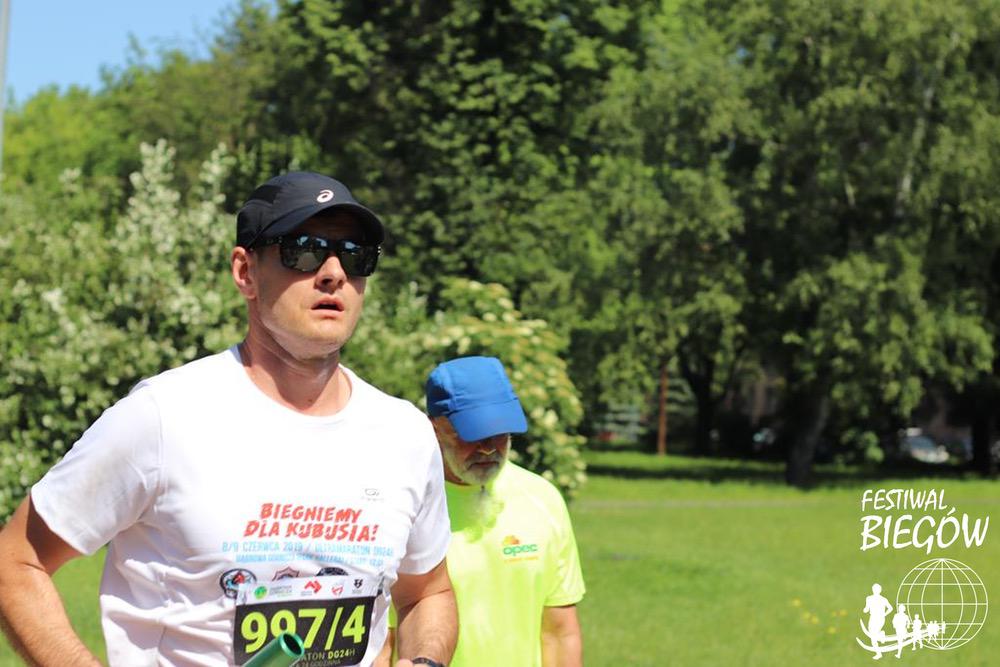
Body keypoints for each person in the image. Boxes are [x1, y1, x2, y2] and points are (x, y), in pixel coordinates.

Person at [0, 172, 457, 667]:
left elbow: (426, 593)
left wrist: (425, 661)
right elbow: (15, 563)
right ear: (245, 272)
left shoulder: (405, 434)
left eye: (355, 254)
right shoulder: (163, 417)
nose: (333, 272)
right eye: (303, 250)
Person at [392, 356, 585, 666]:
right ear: (435, 428)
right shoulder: (404, 503)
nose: (487, 448)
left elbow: (559, 633)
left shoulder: (542, 498)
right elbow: (382, 637)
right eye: (472, 434)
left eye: (499, 433)